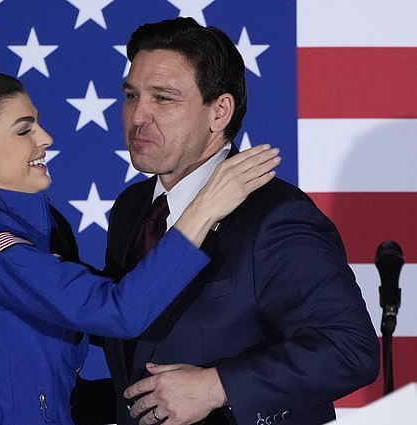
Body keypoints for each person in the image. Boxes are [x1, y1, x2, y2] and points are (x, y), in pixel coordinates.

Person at [0, 70, 280, 425]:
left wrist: (206, 390)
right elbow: (116, 310)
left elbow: (51, 388)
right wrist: (205, 208)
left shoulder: (16, 232)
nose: (44, 138)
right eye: (23, 130)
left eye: (37, 123)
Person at [98, 18, 380, 425]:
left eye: (163, 98)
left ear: (219, 111)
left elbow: (349, 349)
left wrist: (217, 386)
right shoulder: (132, 209)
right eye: (130, 95)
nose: (137, 115)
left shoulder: (276, 215)